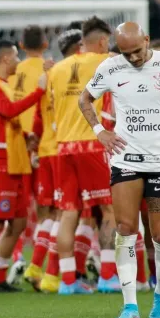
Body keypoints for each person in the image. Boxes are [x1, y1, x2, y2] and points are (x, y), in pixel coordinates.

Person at [80, 21, 160, 318]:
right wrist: (100, 131)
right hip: (126, 159)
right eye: (126, 54)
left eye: (138, 51)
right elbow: (84, 99)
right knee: (125, 229)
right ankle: (129, 306)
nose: (133, 58)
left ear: (146, 39)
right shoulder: (110, 67)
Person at [0, 40, 46, 292]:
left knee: (18, 222)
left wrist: (26, 137)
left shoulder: (3, 85)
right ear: (5, 59)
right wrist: (39, 92)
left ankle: (0, 276)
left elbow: (4, 122)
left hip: (15, 161)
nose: (18, 61)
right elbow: (8, 111)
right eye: (15, 56)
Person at [49, 16, 115, 295]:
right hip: (91, 144)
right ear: (101, 41)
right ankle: (108, 277)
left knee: (68, 214)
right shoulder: (106, 62)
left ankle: (66, 282)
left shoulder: (57, 69)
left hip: (63, 147)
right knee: (109, 209)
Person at [23, 27, 81, 293]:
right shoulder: (73, 76)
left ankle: (36, 265)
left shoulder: (50, 74)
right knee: (68, 212)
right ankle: (51, 274)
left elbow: (37, 116)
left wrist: (34, 143)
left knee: (52, 212)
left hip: (46, 149)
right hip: (65, 150)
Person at [8, 25, 49, 285]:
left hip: (17, 144)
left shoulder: (11, 71)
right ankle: (39, 265)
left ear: (21, 47)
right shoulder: (51, 69)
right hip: (43, 145)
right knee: (46, 209)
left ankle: (16, 259)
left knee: (18, 207)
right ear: (45, 45)